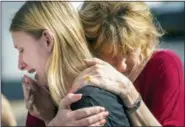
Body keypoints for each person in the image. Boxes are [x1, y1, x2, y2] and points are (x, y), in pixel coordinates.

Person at [10, 1, 131, 127]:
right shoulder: (46, 105)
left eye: (21, 50)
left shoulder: (87, 105)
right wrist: (48, 118)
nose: (20, 65)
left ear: (47, 40)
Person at [70, 1, 184, 126]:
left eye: (128, 52)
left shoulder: (164, 65)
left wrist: (128, 91)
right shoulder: (85, 71)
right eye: (111, 57)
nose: (122, 66)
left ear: (144, 39)